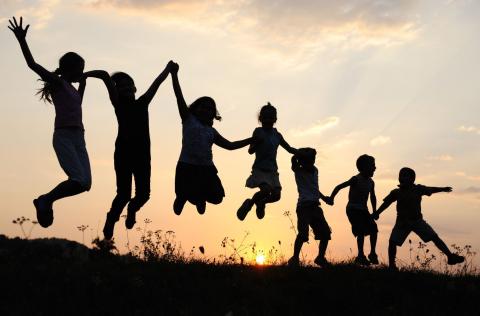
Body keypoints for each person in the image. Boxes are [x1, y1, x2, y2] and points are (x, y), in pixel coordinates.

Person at [9, 16, 91, 228]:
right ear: (66, 70)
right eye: (78, 70)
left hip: (79, 137)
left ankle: (47, 200)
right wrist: (21, 40)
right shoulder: (58, 82)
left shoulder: (73, 89)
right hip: (64, 136)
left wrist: (84, 82)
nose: (81, 73)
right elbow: (32, 64)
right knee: (78, 180)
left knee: (86, 184)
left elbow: (79, 102)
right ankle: (45, 200)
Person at [83, 62, 173, 239]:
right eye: (120, 85)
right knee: (123, 194)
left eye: (128, 84)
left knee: (144, 195)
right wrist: (83, 76)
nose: (125, 87)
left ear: (134, 88)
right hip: (123, 154)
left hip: (142, 155)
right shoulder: (118, 103)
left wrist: (168, 70)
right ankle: (112, 218)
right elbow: (103, 74)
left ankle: (132, 209)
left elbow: (157, 83)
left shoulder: (143, 102)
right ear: (116, 91)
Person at [170, 62, 251, 215]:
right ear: (195, 108)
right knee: (184, 191)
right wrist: (174, 75)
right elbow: (178, 95)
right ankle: (183, 197)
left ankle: (198, 197)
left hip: (206, 168)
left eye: (210, 108)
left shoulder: (211, 131)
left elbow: (230, 145)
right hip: (187, 165)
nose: (206, 110)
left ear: (213, 113)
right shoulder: (188, 119)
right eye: (203, 106)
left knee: (217, 197)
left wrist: (250, 140)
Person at [372, 167, 465, 270]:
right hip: (402, 222)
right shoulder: (396, 192)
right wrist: (377, 212)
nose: (402, 177)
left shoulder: (418, 189)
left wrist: (442, 189)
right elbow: (386, 203)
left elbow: (431, 189)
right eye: (401, 175)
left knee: (434, 237)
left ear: (412, 179)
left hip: (417, 221)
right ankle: (392, 265)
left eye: (405, 175)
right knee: (392, 242)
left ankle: (450, 256)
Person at [237, 103, 298, 221]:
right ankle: (250, 203)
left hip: (272, 171)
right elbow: (250, 150)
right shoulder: (258, 132)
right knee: (266, 191)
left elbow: (289, 149)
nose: (268, 120)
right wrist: (257, 143)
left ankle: (261, 203)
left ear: (275, 119)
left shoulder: (277, 135)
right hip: (260, 169)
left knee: (276, 196)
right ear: (260, 119)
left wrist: (300, 152)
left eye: (271, 117)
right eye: (265, 117)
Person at [287, 148, 333, 267]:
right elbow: (293, 159)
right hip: (303, 207)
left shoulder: (315, 170)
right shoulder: (298, 170)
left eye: (313, 159)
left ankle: (320, 258)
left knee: (325, 233)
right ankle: (295, 258)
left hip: (315, 206)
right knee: (303, 234)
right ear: (302, 161)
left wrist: (324, 198)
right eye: (308, 159)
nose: (311, 162)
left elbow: (314, 188)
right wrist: (300, 154)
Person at [329, 154, 379, 265]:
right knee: (360, 231)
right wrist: (331, 198)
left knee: (374, 229)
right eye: (373, 165)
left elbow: (373, 196)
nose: (375, 168)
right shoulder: (356, 179)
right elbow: (339, 186)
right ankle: (360, 255)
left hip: (363, 209)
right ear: (364, 167)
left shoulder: (371, 182)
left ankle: (372, 253)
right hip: (353, 209)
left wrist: (374, 211)